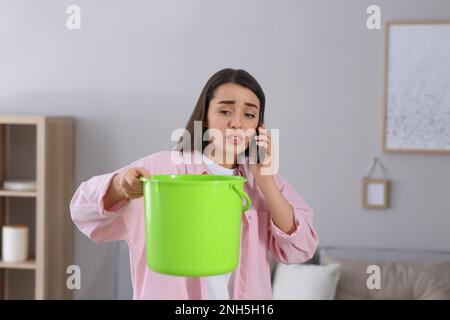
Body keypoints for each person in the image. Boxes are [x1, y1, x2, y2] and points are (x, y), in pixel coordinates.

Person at [70, 68, 318, 299]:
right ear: (206, 117)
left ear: (258, 127)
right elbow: (81, 209)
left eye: (249, 114)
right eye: (225, 111)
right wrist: (118, 187)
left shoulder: (265, 183)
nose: (236, 123)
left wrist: (266, 181)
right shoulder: (161, 170)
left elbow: (300, 249)